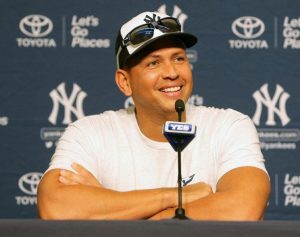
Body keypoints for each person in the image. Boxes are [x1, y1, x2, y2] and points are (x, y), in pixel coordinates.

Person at [37, 11, 270, 220]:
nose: (171, 73)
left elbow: (243, 209)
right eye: (153, 63)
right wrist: (178, 197)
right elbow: (55, 207)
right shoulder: (88, 133)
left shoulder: (230, 126)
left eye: (179, 58)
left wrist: (114, 208)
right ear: (125, 82)